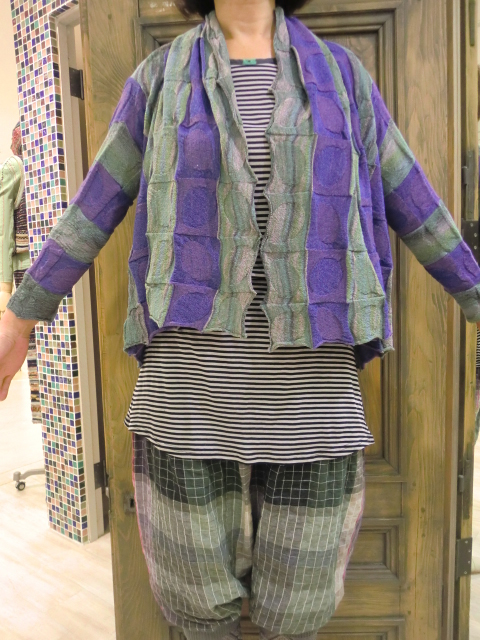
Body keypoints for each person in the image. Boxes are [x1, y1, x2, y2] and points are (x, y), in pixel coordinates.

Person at [1, 1, 480, 638]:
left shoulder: (343, 77)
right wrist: (20, 317)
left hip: (313, 399)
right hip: (186, 398)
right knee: (197, 615)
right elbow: (95, 204)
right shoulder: (159, 78)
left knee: (298, 615)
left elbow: (414, 198)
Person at [0, 123, 40, 422]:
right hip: (26, 271)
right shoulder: (15, 167)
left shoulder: (46, 163)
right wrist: (4, 287)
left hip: (49, 266)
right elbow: (2, 230)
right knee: (36, 355)